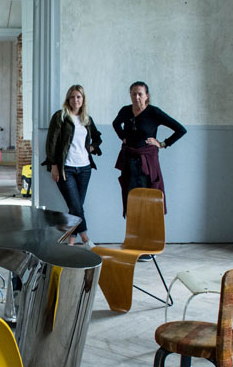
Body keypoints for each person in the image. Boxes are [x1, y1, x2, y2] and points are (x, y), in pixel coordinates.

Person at [112, 81, 186, 216]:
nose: (137, 97)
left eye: (140, 94)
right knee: (131, 196)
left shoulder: (154, 112)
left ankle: (148, 226)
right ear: (130, 95)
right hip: (129, 160)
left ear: (147, 96)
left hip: (147, 161)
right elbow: (116, 124)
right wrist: (123, 137)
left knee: (148, 195)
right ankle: (134, 227)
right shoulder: (125, 111)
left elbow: (180, 129)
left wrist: (163, 143)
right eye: (134, 94)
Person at [43, 84, 102, 248]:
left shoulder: (87, 119)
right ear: (68, 99)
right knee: (76, 206)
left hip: (85, 169)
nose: (75, 100)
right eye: (72, 97)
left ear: (83, 99)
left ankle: (71, 241)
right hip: (66, 168)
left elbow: (97, 138)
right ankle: (85, 238)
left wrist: (91, 147)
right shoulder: (60, 116)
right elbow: (51, 143)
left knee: (76, 207)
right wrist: (54, 165)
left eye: (78, 97)